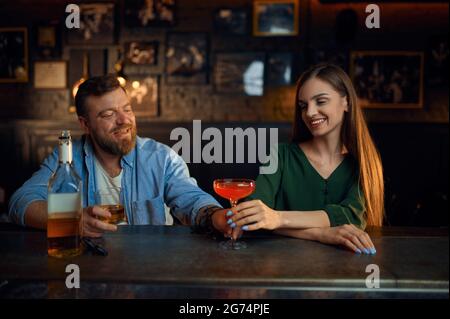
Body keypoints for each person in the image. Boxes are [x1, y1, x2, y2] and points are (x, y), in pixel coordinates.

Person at [8, 74, 231, 237]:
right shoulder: (66, 159)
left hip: (148, 270)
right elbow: (21, 202)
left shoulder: (162, 158)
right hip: (88, 268)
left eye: (127, 109)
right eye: (108, 114)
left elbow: (192, 201)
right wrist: (70, 220)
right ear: (85, 124)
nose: (124, 120)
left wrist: (216, 217)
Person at [229, 64, 384, 254]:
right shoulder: (279, 155)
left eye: (320, 101)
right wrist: (321, 234)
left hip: (344, 272)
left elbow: (350, 216)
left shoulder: (362, 162)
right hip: (280, 268)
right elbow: (253, 216)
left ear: (347, 102)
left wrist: (277, 218)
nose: (309, 113)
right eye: (303, 105)